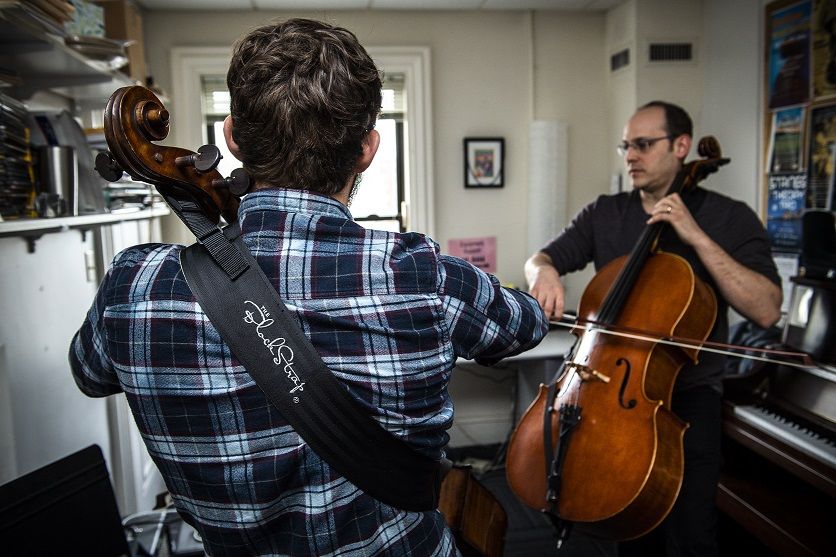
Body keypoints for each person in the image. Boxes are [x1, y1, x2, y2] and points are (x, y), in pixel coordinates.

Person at [70, 19, 548, 557]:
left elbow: (89, 373)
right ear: (368, 148)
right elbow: (526, 325)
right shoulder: (420, 274)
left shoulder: (132, 286)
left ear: (229, 137)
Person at [525, 101, 781, 557]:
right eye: (626, 146)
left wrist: (695, 234)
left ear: (681, 146)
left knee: (691, 538)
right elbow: (542, 257)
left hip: (687, 406)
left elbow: (765, 310)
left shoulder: (729, 217)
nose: (630, 156)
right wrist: (542, 272)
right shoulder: (605, 212)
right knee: (631, 535)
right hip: (606, 394)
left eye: (643, 145)